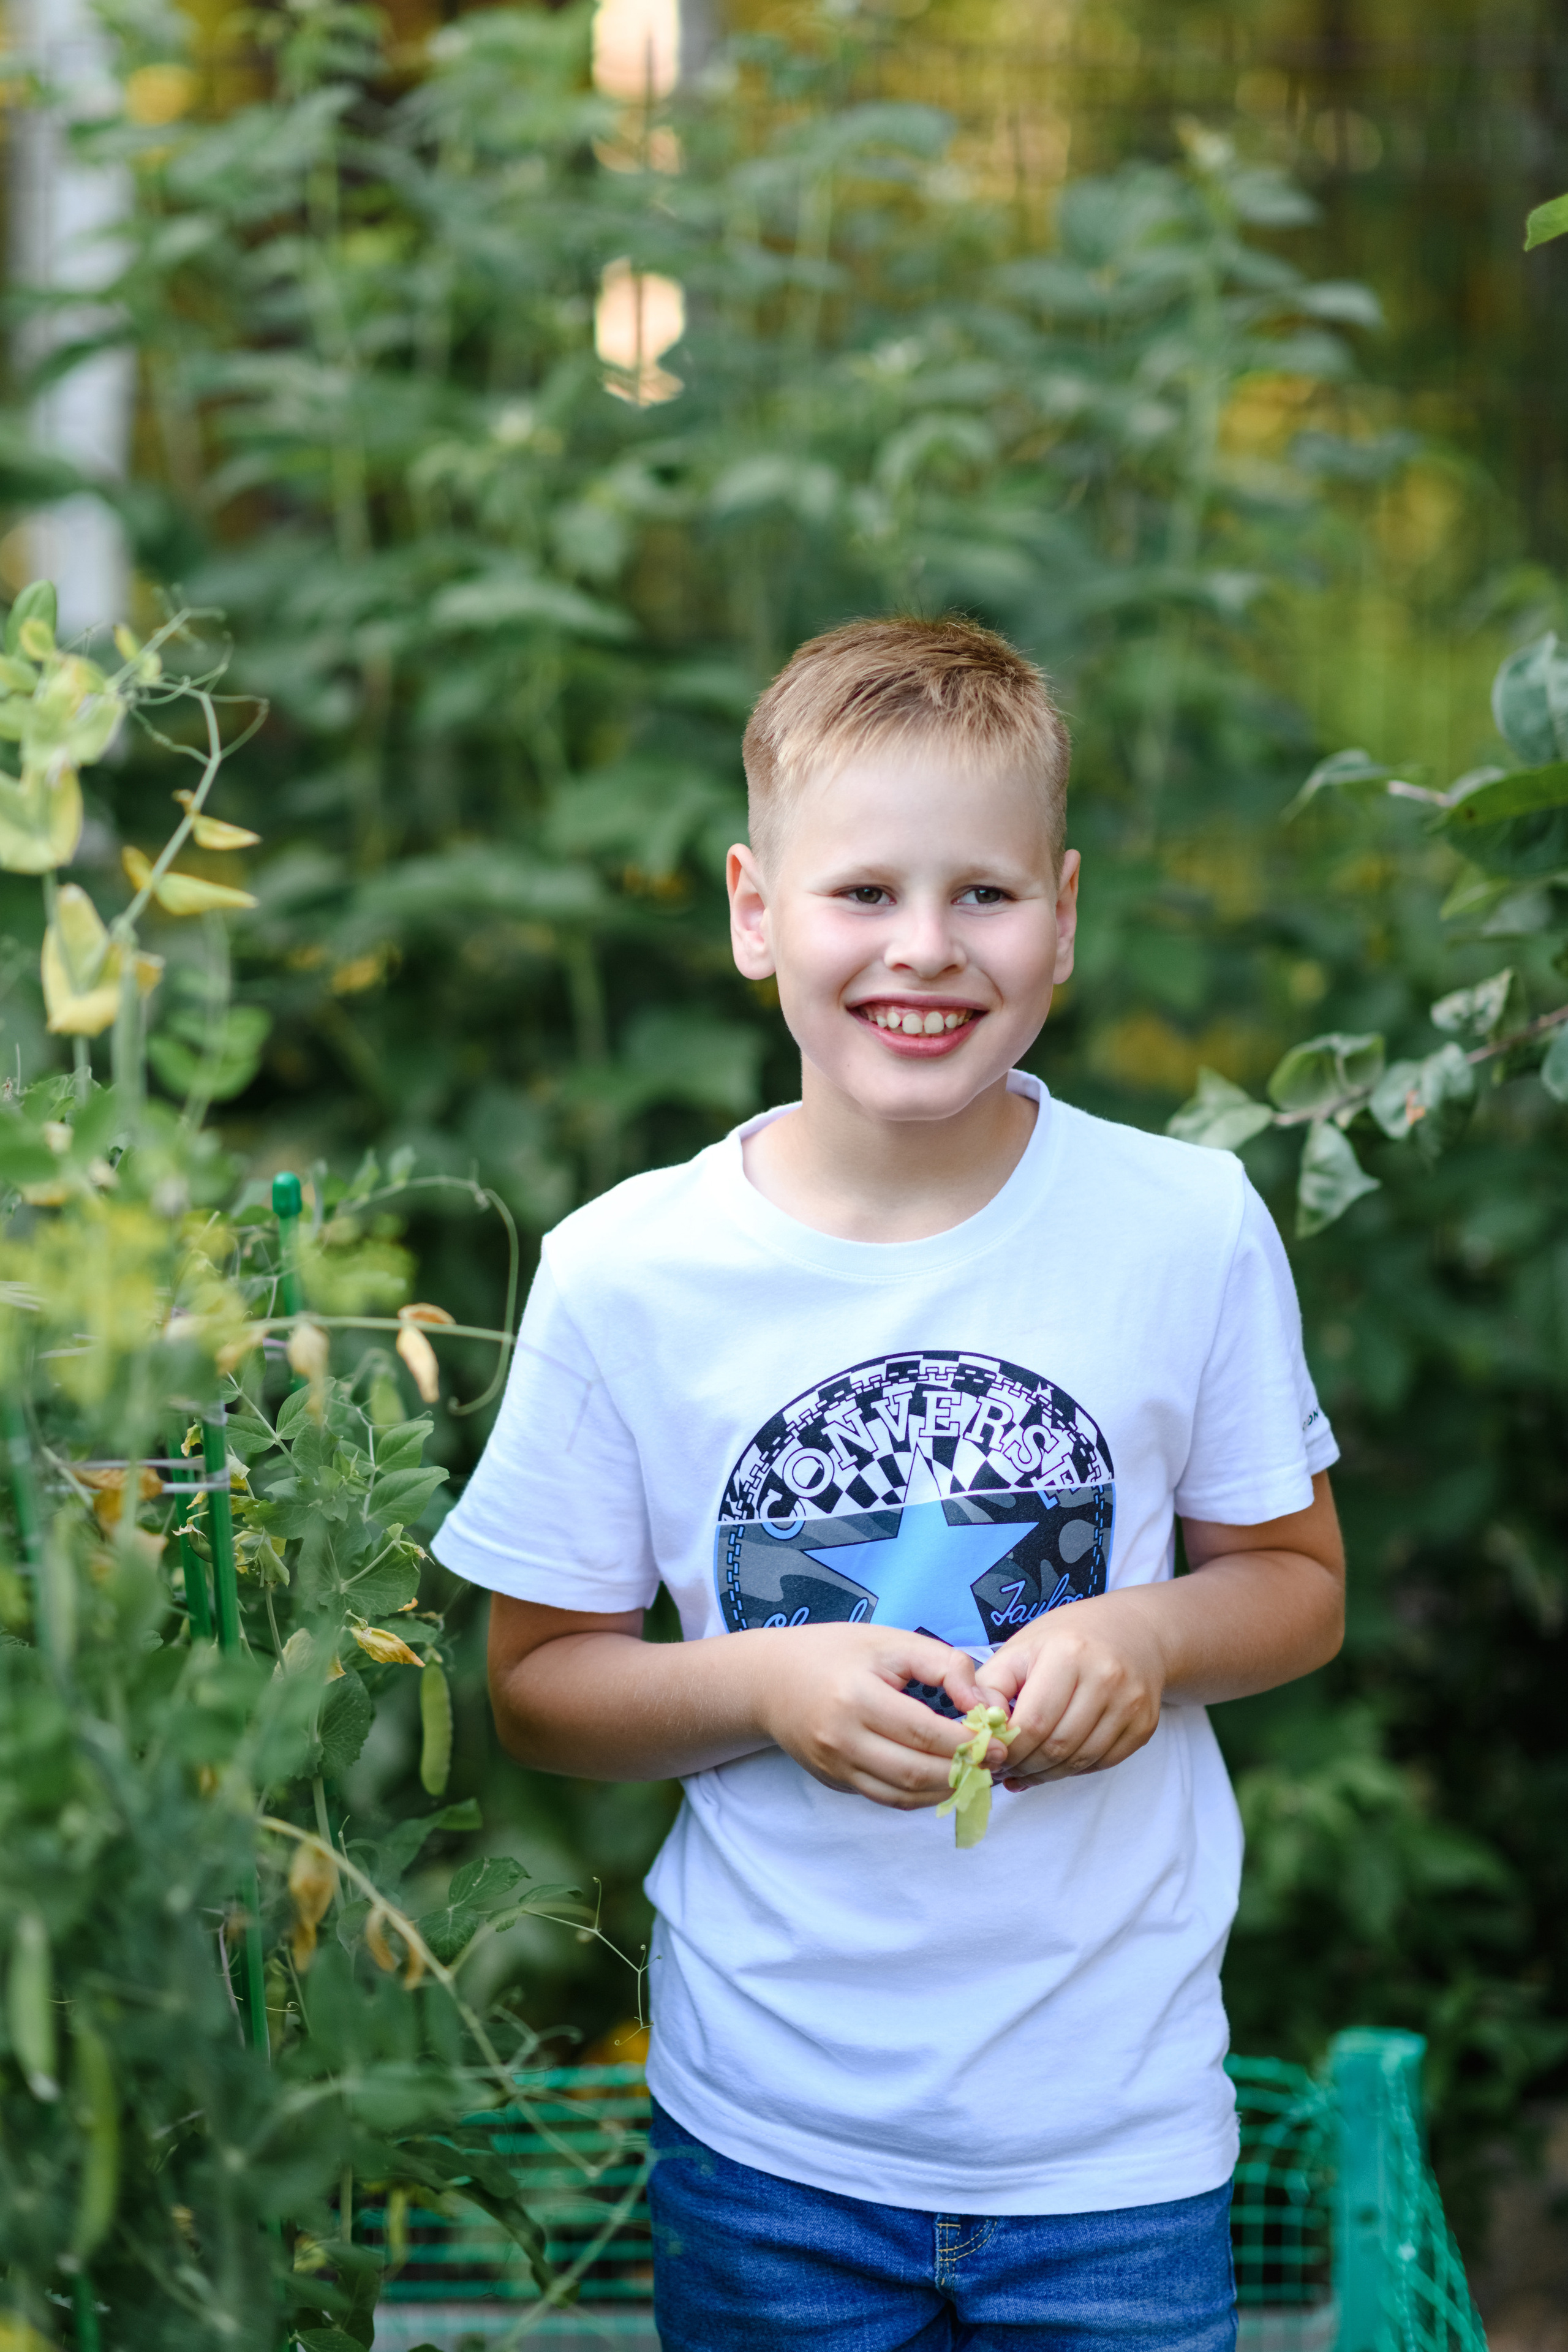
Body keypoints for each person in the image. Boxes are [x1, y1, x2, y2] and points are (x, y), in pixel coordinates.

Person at [431, 616, 1344, 2352]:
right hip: (770, 2146)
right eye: (862, 893)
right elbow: (540, 1691)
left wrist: (1147, 1635)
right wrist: (767, 1683)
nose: (925, 948)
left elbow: (1298, 1587)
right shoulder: (625, 1272)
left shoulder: (1187, 1228)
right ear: (753, 909)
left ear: (1064, 913)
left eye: (985, 895)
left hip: (1117, 2148)